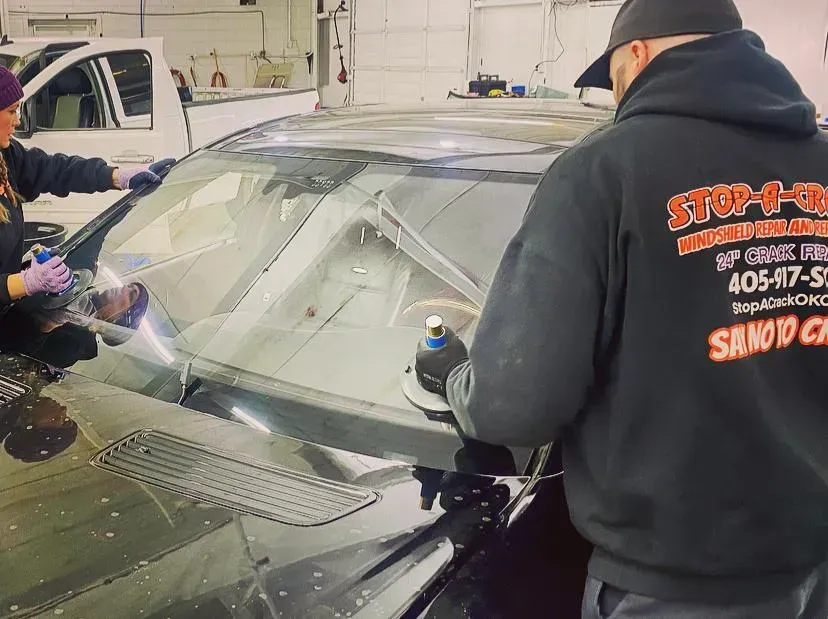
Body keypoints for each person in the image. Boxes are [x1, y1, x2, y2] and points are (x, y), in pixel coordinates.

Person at [415, 0, 828, 617]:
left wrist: (453, 377)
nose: (613, 99)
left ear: (634, 53)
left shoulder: (603, 173)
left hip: (674, 580)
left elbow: (515, 405)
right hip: (811, 558)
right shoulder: (820, 164)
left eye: (610, 78)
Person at [0, 66, 174, 308]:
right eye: (12, 111)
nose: (18, 120)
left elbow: (54, 169)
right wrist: (25, 282)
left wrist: (117, 176)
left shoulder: (6, 156)